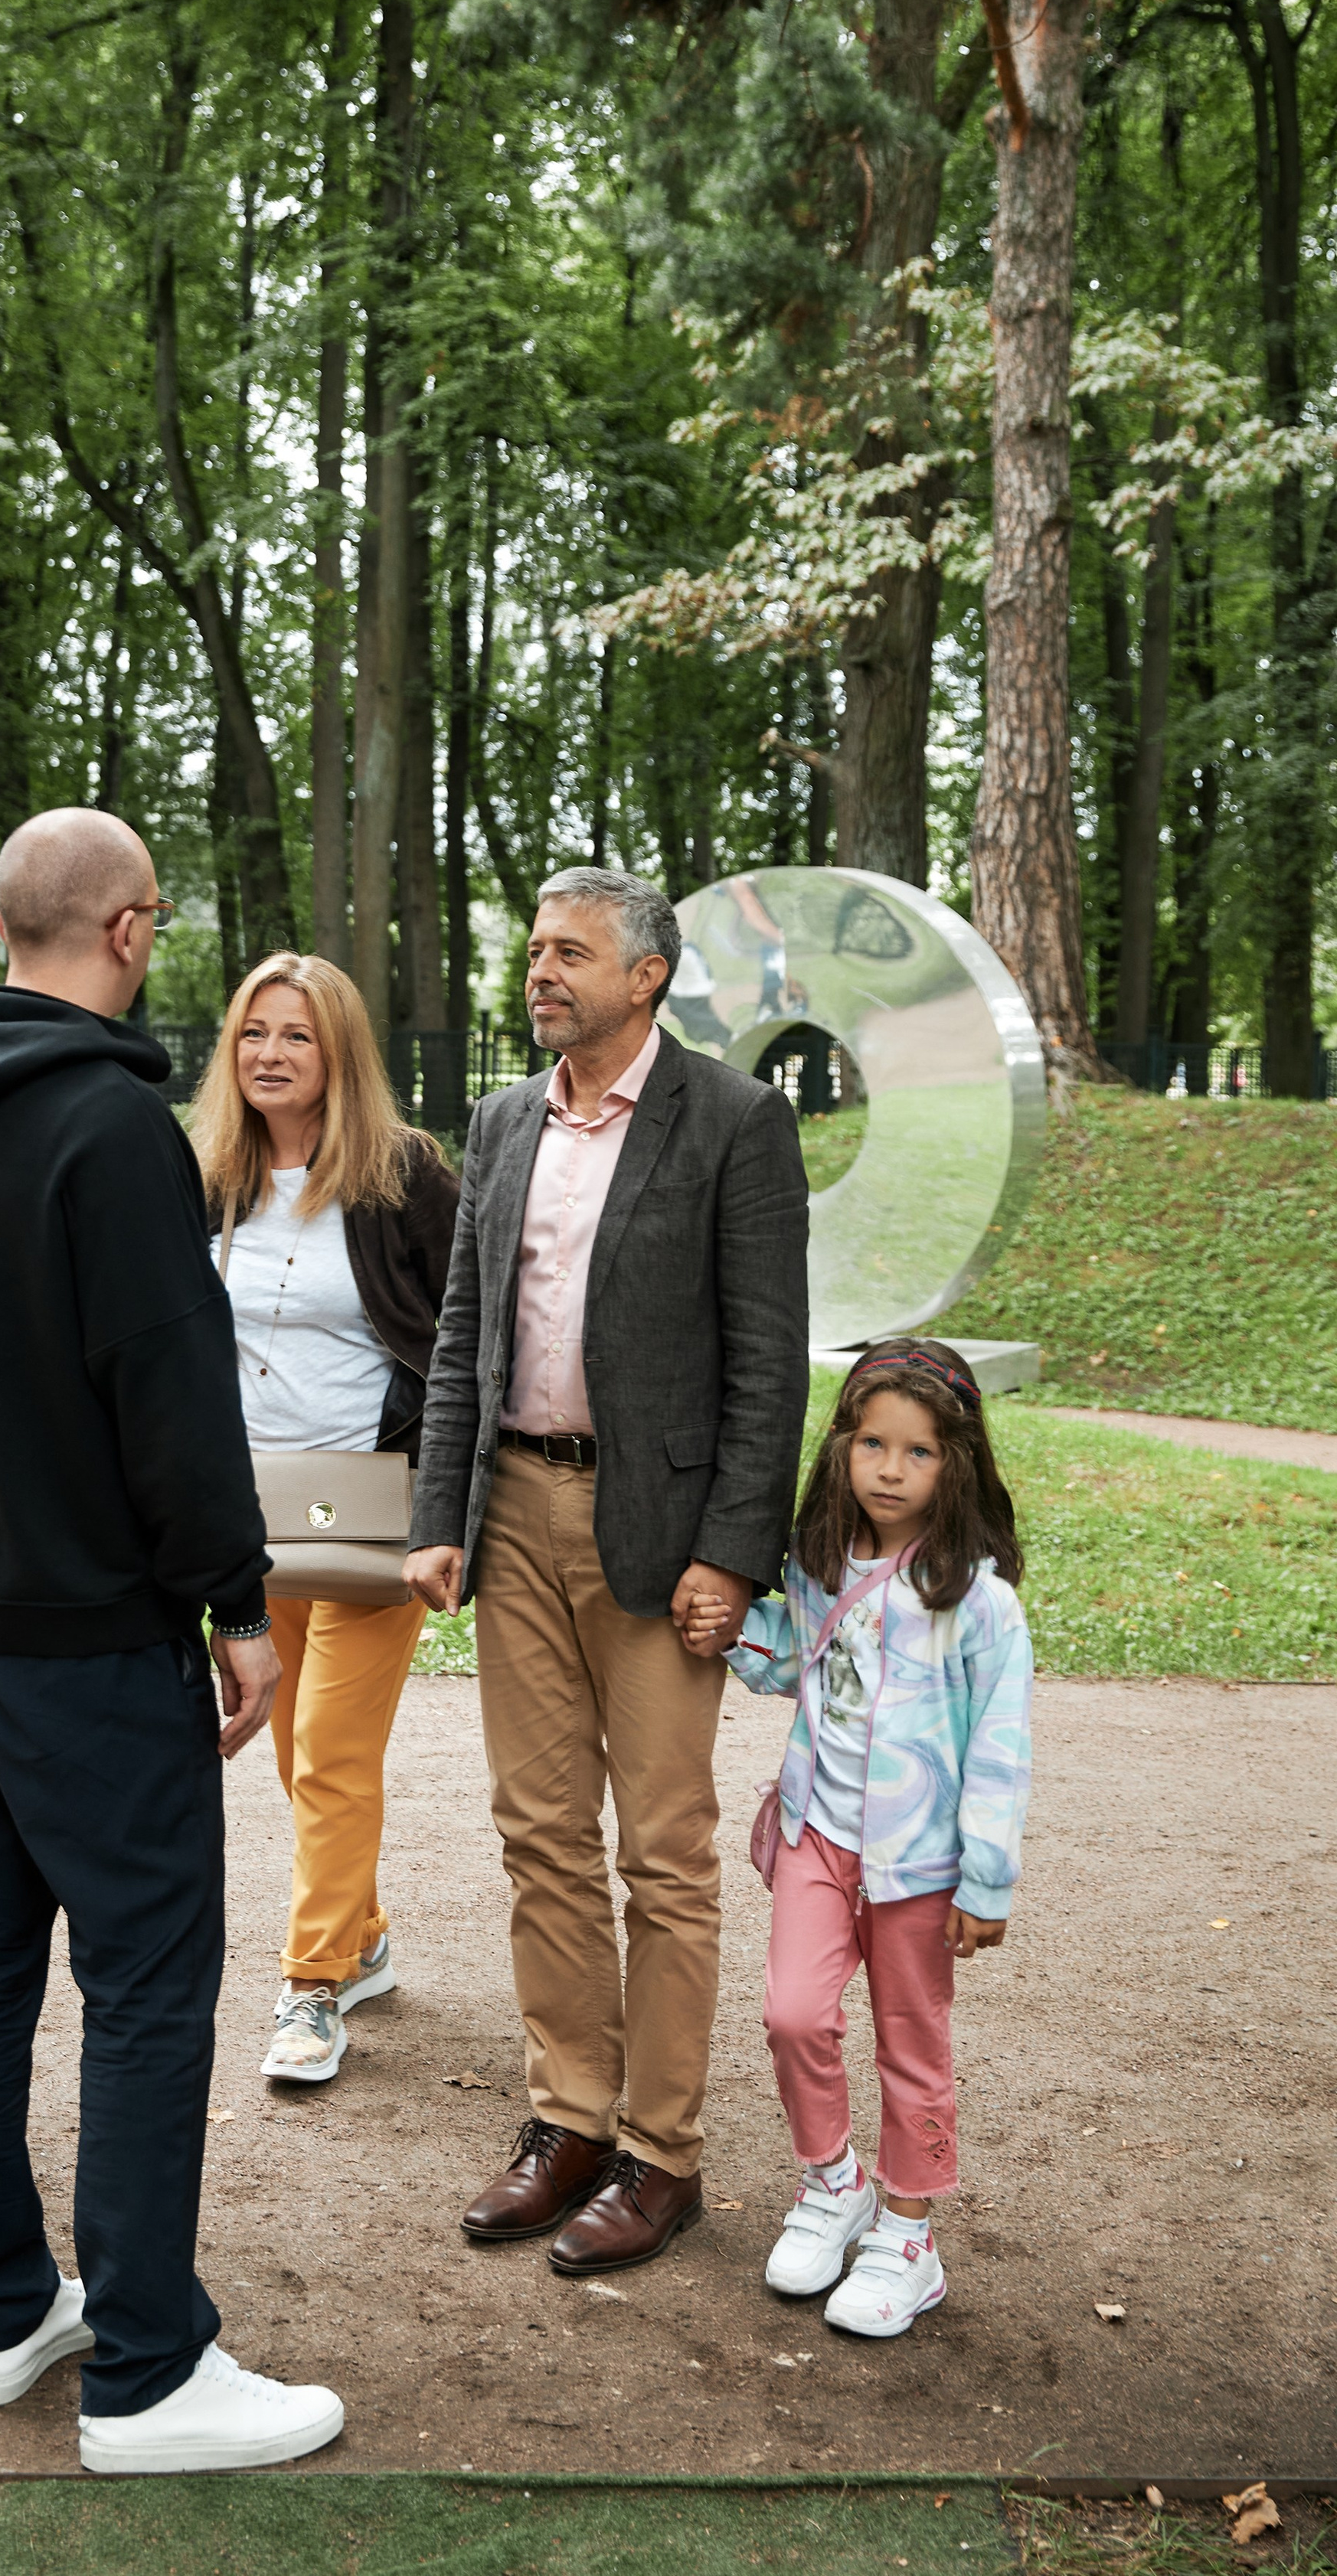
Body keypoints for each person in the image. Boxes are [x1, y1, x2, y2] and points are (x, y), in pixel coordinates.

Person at [0, 808, 344, 2475]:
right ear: (128, 928)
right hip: (79, 1627)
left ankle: (3, 2314)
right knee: (145, 1976)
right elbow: (169, 1389)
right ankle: (144, 2366)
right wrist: (233, 1602)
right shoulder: (114, 1132)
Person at [404, 865, 810, 2277]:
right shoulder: (506, 1118)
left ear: (647, 976)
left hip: (659, 1538)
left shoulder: (738, 1124)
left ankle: (662, 2154)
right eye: (533, 950)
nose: (541, 972)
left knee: (665, 1855)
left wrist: (734, 1555)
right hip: (511, 1513)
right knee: (540, 1838)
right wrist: (438, 1511)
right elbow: (466, 1331)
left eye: (570, 953)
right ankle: (568, 2123)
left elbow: (768, 1360)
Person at [691, 1338, 1033, 2337]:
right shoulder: (820, 1564)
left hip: (922, 1866)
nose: (889, 1468)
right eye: (872, 1443)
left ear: (955, 1463)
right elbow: (796, 1661)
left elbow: (1001, 1753)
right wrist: (732, 1632)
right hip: (818, 1834)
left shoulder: (980, 1604)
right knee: (794, 2014)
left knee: (912, 2046)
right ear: (843, 1445)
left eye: (916, 1451)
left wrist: (986, 1880)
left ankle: (908, 2237)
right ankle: (831, 2183)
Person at [189, 952, 459, 2088]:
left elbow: (464, 1348)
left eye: (296, 1036)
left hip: (367, 1508)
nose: (270, 1055)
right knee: (297, 1753)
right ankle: (364, 1936)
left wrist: (445, 1505)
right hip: (240, 1514)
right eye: (254, 1033)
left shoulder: (404, 1177)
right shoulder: (205, 1174)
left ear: (337, 1050)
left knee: (334, 1755)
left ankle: (311, 1988)